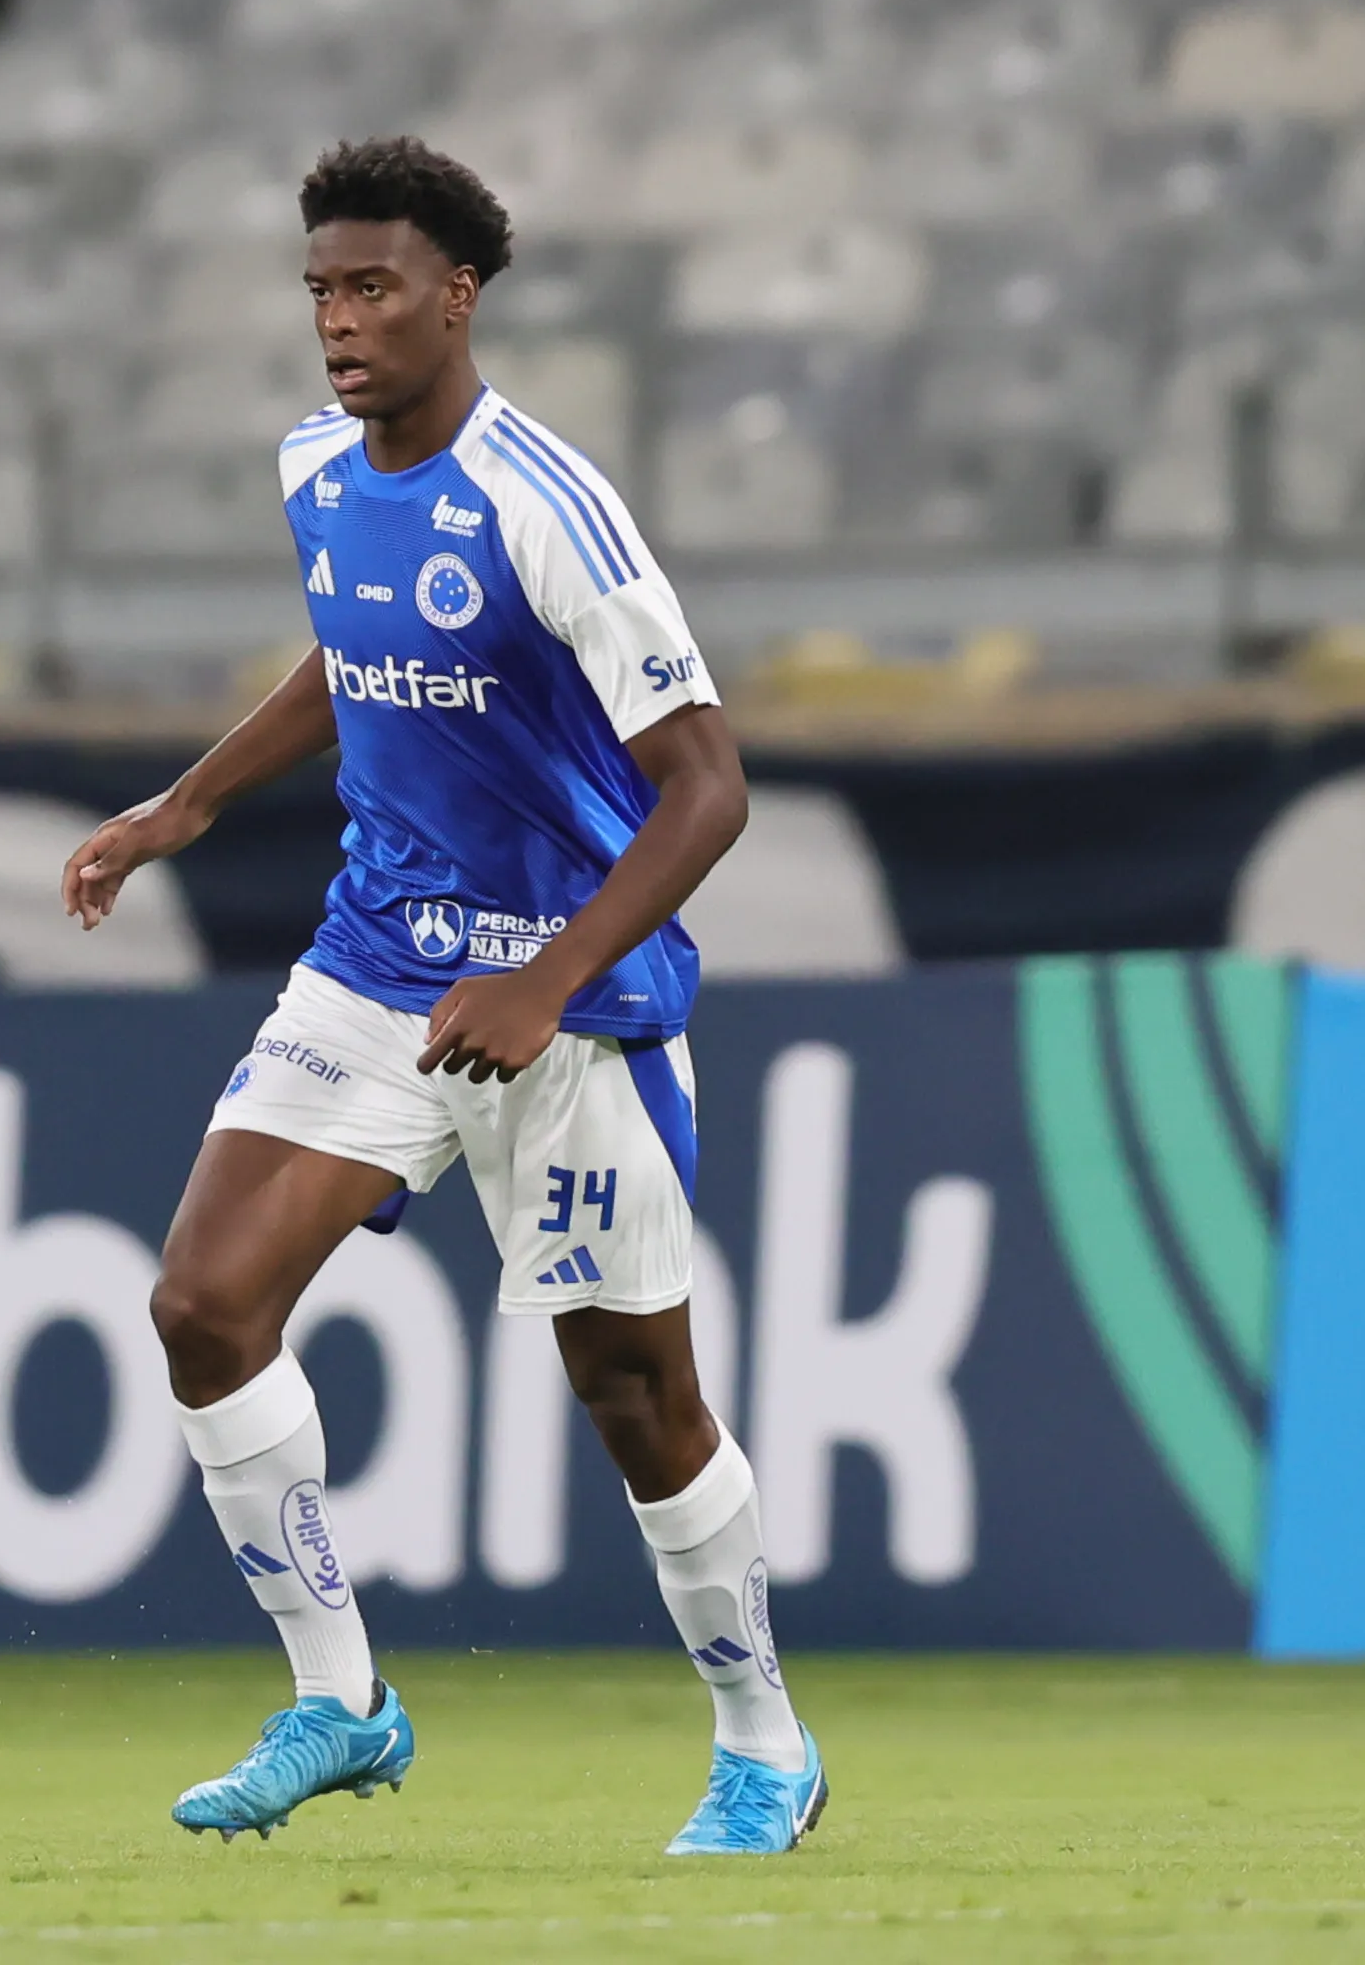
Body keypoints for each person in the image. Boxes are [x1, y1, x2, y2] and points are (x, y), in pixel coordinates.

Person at [59, 137, 824, 1857]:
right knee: (203, 1306)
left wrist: (549, 980)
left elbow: (708, 786)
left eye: (372, 288)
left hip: (575, 998)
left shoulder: (548, 506)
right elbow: (358, 648)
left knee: (635, 1397)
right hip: (379, 961)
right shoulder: (316, 467)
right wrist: (186, 803)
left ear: (457, 295)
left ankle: (764, 1745)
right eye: (319, 291)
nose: (338, 321)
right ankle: (342, 1703)